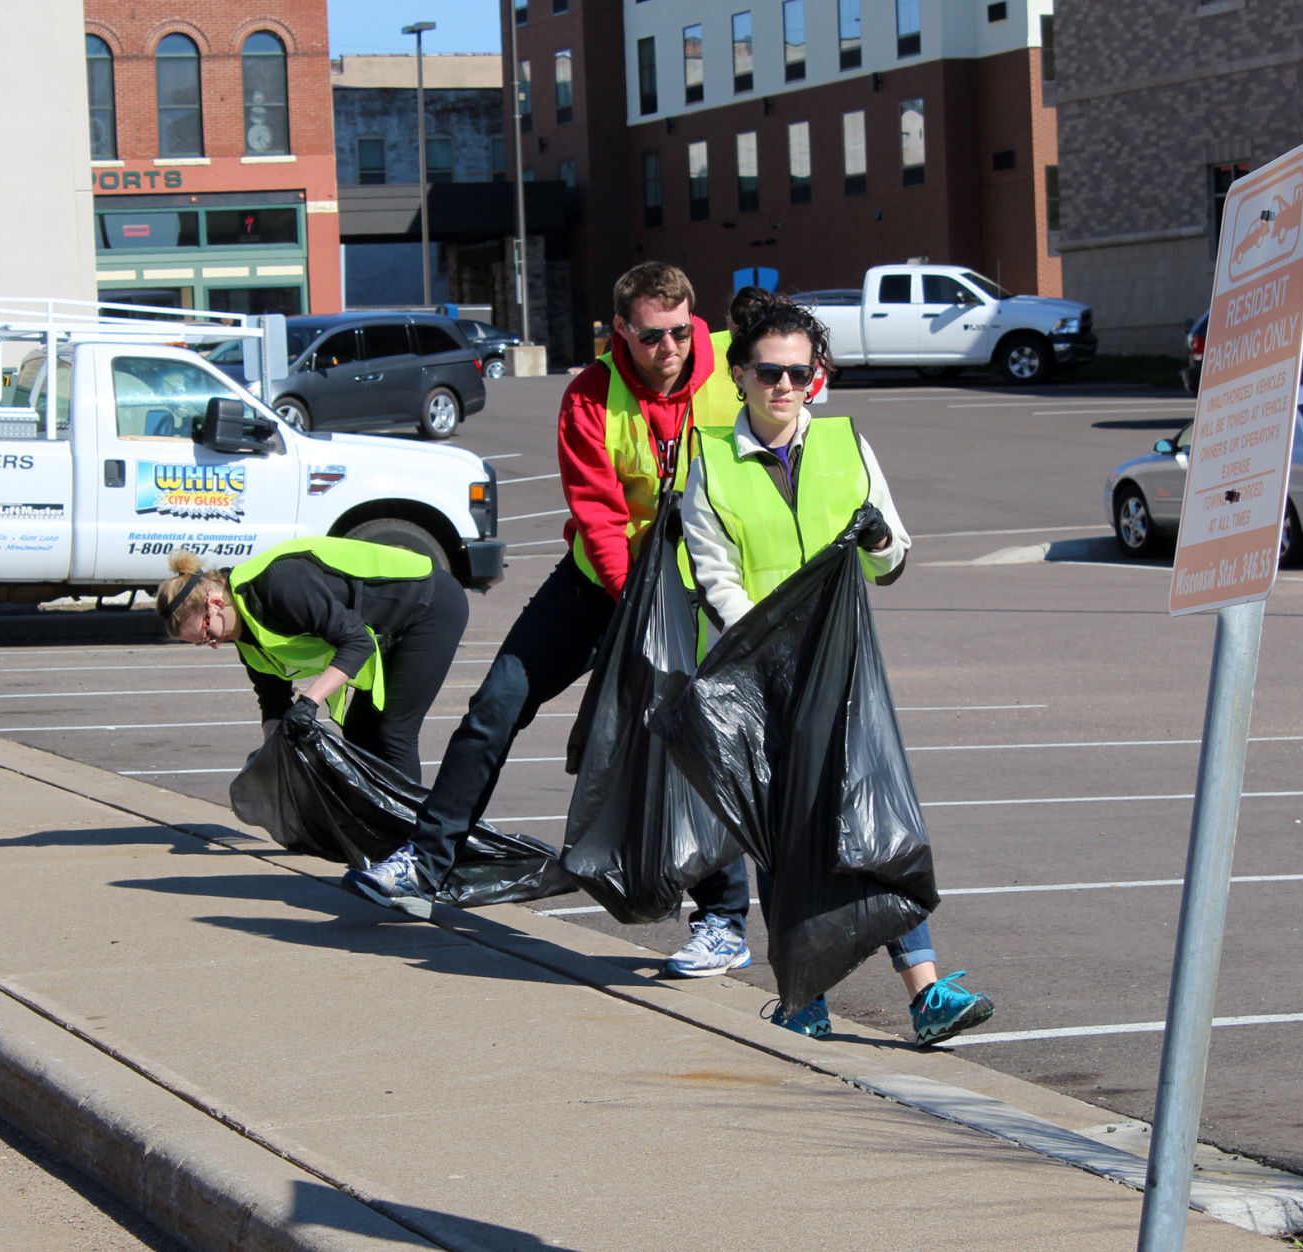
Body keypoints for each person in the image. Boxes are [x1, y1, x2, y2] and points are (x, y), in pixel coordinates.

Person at [345, 262, 753, 959]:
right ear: (622, 330)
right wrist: (630, 607)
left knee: (691, 743)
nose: (671, 349)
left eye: (681, 331)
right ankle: (426, 860)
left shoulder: (729, 374)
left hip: (694, 590)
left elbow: (791, 400)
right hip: (601, 585)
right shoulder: (590, 397)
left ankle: (722, 922)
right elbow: (597, 514)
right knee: (495, 706)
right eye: (653, 336)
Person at [679, 297, 995, 1046]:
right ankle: (803, 995)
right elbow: (713, 574)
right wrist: (769, 644)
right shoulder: (711, 463)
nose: (785, 385)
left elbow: (889, 562)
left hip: (843, 673)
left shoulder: (847, 445)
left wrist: (881, 536)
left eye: (800, 372)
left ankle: (925, 992)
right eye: (769, 371)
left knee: (874, 821)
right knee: (786, 840)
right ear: (739, 376)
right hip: (754, 681)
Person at [153, 537, 468, 786]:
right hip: (386, 624)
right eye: (203, 643)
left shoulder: (279, 585)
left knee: (393, 730)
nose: (213, 645)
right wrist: (272, 751)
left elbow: (355, 641)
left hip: (428, 604)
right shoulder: (243, 633)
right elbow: (272, 698)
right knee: (359, 728)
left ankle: (410, 841)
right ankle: (379, 824)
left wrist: (309, 701)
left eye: (207, 634)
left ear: (215, 602)